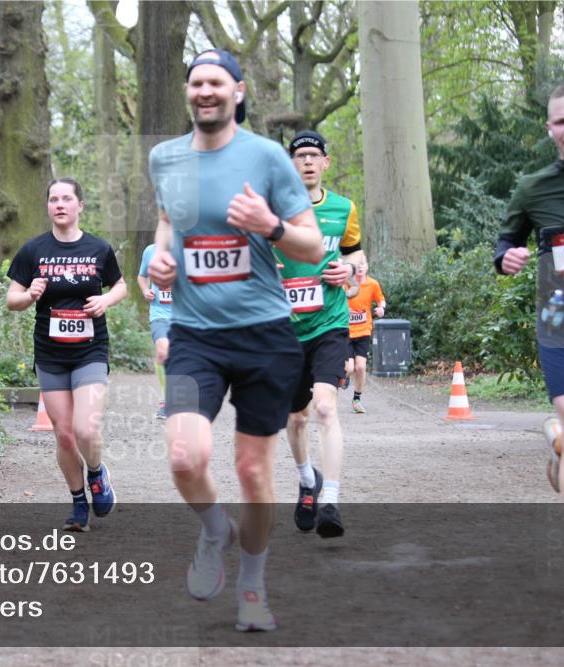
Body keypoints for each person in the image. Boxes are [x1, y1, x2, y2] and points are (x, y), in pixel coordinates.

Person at [147, 49, 324, 632]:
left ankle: (252, 587)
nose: (205, 91)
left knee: (252, 472)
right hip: (193, 333)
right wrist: (164, 263)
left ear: (238, 91)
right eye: (196, 82)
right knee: (183, 455)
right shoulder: (164, 157)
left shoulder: (268, 158)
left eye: (216, 82)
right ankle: (214, 528)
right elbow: (169, 222)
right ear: (188, 91)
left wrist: (269, 226)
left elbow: (313, 247)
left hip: (264, 336)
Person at [493, 83, 564, 599]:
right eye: (561, 122)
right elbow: (505, 241)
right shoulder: (533, 187)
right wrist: (506, 259)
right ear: (550, 130)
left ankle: (559, 449)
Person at [6, 178, 127, 532]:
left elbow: (120, 285)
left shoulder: (98, 249)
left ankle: (96, 474)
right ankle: (78, 504)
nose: (59, 204)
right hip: (51, 354)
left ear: (80, 206)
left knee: (85, 429)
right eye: (53, 199)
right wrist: (29, 295)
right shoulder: (33, 251)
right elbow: (12, 299)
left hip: (90, 350)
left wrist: (105, 300)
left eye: (67, 198)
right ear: (48, 206)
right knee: (64, 435)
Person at [278, 129, 365, 539]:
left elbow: (355, 255)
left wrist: (348, 271)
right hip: (284, 329)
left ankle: (330, 498)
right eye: (300, 156)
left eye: (315, 155)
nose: (308, 162)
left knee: (326, 409)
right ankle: (306, 480)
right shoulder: (272, 210)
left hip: (330, 322)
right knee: (296, 419)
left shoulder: (343, 208)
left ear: (326, 163)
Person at [344, 258, 386, 413]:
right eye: (357, 264)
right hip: (346, 331)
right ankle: (345, 377)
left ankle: (356, 399)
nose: (360, 267)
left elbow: (381, 300)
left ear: (367, 267)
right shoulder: (346, 283)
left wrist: (381, 309)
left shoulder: (372, 284)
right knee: (349, 368)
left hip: (363, 330)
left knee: (360, 367)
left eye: (363, 264)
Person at [138, 243, 173, 419]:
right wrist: (145, 290)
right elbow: (142, 276)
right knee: (162, 351)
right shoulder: (150, 250)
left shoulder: (191, 247)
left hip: (188, 315)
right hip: (160, 314)